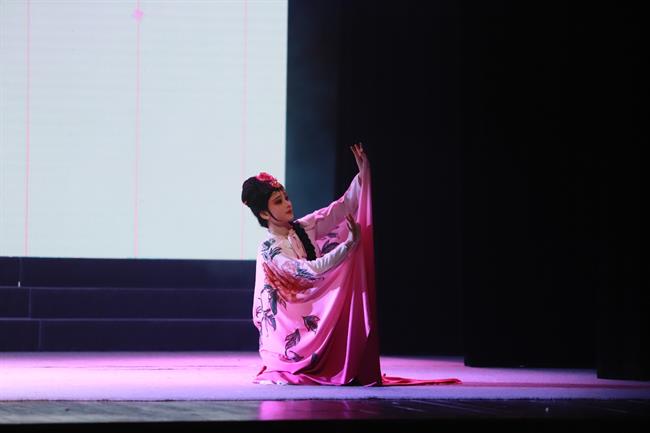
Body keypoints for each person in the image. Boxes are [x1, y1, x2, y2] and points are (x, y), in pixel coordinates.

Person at [241, 143, 460, 387]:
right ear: (264, 214)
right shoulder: (270, 249)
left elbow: (341, 208)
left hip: (311, 307)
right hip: (290, 324)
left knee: (344, 293)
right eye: (278, 202)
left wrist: (362, 174)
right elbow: (309, 271)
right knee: (339, 290)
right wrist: (348, 245)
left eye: (286, 198)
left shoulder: (303, 227)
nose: (288, 204)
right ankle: (301, 357)